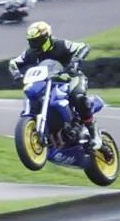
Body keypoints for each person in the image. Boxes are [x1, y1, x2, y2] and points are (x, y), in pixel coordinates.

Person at [8, 21, 103, 150]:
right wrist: (17, 75)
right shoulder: (30, 52)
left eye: (37, 40)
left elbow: (83, 47)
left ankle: (94, 134)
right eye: (32, 41)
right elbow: (13, 63)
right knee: (34, 97)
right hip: (48, 82)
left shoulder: (61, 44)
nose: (34, 44)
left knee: (78, 97)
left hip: (71, 78)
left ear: (46, 37)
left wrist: (75, 61)